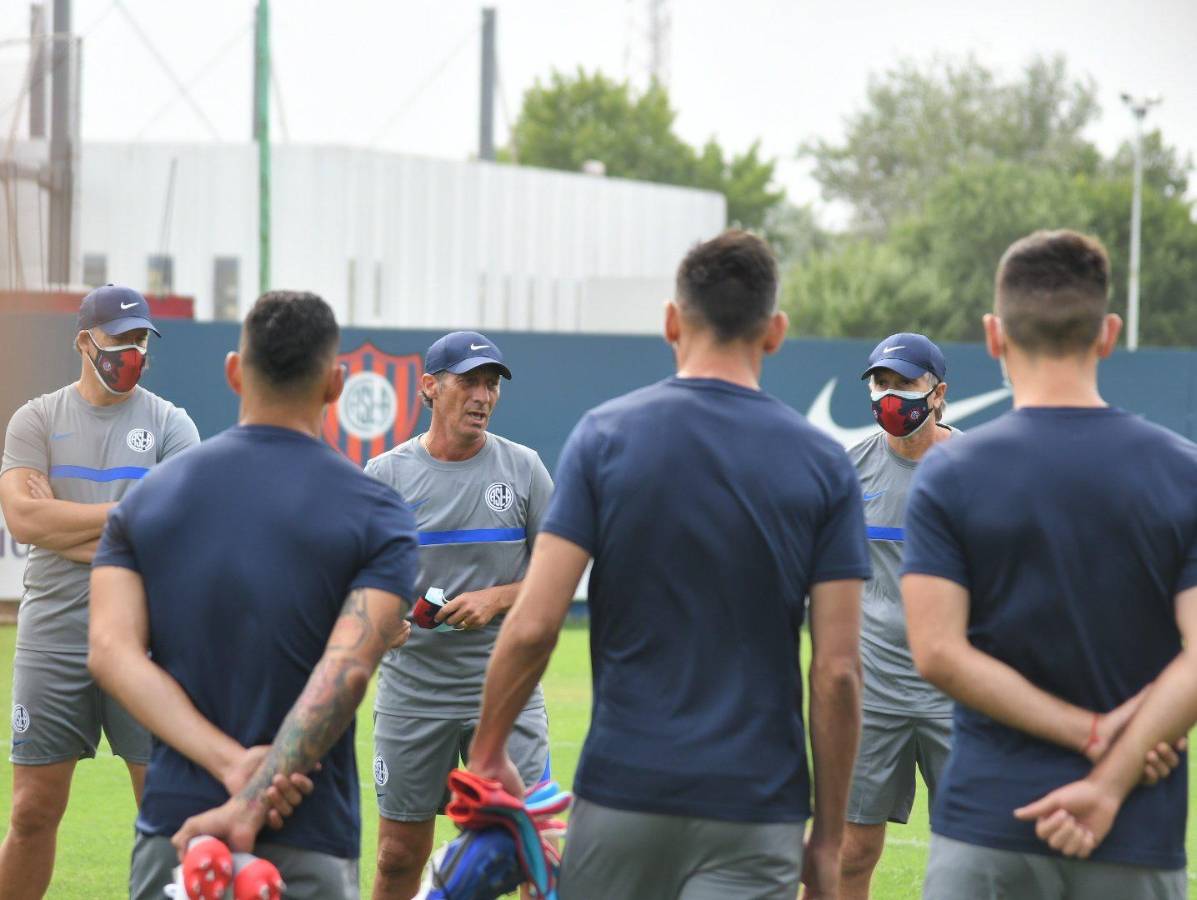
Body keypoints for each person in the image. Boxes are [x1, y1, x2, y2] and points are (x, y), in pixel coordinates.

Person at [466, 230, 870, 900]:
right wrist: (827, 843)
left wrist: (485, 756)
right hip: (754, 808)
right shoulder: (822, 463)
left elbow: (534, 625)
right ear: (774, 332)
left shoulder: (604, 436)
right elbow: (836, 672)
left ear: (670, 323)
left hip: (622, 794)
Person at [87, 291, 420, 900]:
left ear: (235, 372)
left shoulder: (147, 502)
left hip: (178, 835)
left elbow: (109, 651)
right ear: (335, 384)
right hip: (307, 833)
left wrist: (228, 766)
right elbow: (346, 671)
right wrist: (258, 781)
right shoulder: (378, 513)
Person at [900, 229, 1195, 900]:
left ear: (993, 335)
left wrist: (1088, 735)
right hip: (1134, 833)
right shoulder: (1182, 473)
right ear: (1108, 332)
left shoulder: (950, 473)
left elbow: (937, 652)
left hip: (985, 827)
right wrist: (1111, 769)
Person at [0, 284, 199, 900]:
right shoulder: (36, 419)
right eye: (121, 340)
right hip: (53, 640)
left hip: (146, 640)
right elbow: (24, 520)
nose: (134, 352)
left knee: (165, 815)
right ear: (85, 342)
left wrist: (65, 521)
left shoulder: (172, 424)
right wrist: (126, 520)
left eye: (142, 340)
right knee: (32, 813)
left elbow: (171, 536)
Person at [364, 330, 553, 900]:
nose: (483, 396)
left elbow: (557, 575)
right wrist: (381, 623)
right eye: (468, 381)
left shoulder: (524, 469)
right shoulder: (385, 477)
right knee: (399, 856)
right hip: (412, 693)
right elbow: (359, 585)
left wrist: (496, 599)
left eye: (491, 383)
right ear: (429, 388)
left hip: (505, 687)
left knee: (534, 844)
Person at [841, 333, 956, 900]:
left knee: (974, 854)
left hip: (958, 695)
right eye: (880, 383)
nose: (889, 396)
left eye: (904, 384)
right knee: (851, 853)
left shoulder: (977, 469)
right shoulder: (848, 470)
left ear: (938, 394)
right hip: (872, 697)